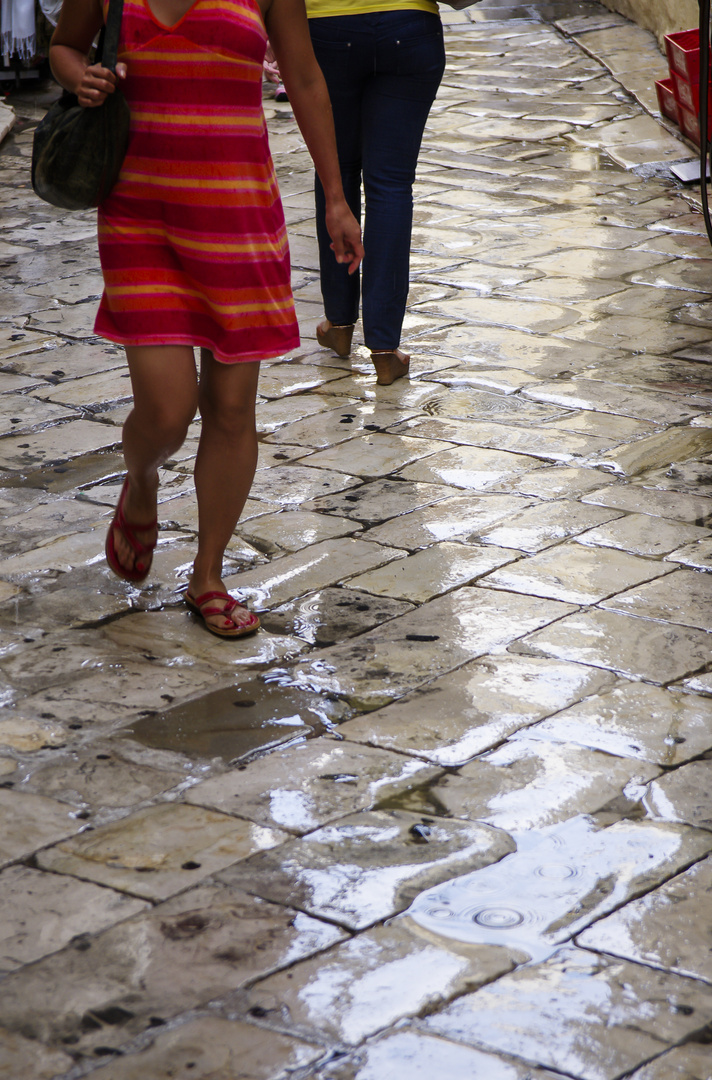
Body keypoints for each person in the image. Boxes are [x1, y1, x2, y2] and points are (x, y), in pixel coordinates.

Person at [48, 0, 363, 638]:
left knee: (230, 406)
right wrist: (76, 76)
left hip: (238, 218)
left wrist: (336, 198)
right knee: (166, 409)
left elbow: (303, 80)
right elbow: (64, 46)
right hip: (140, 217)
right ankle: (141, 481)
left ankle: (209, 575)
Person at [307, 0, 445, 385]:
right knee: (392, 185)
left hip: (327, 25)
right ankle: (385, 350)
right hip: (409, 21)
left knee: (336, 171)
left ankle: (338, 324)